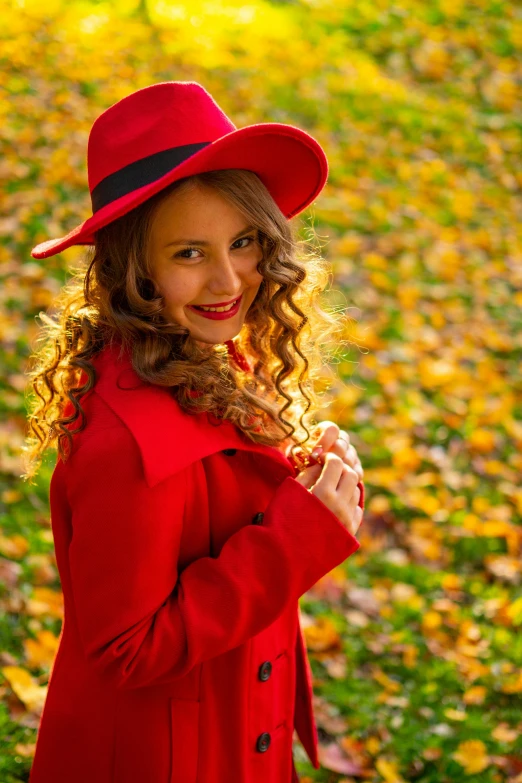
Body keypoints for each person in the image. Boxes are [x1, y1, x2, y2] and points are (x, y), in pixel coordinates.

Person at [23, 81, 365, 783]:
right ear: (132, 268)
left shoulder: (206, 354)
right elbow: (126, 647)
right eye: (188, 254)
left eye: (242, 242)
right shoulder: (126, 440)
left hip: (236, 728)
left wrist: (304, 481)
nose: (227, 277)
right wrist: (296, 536)